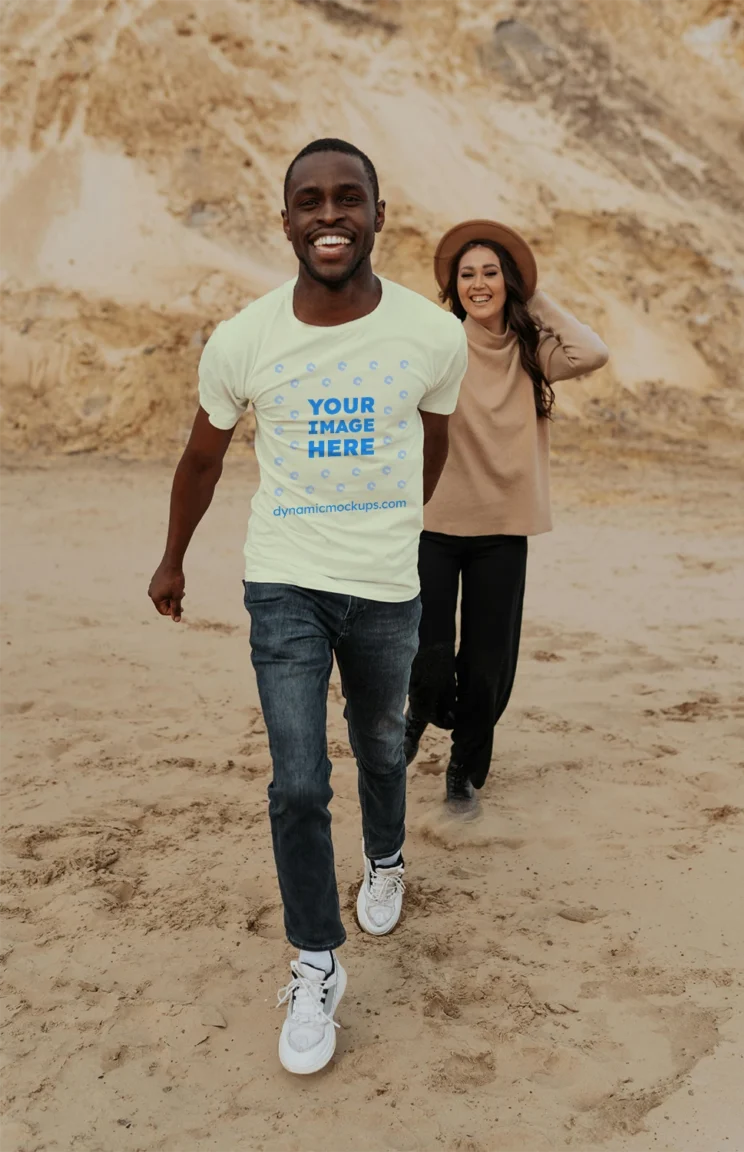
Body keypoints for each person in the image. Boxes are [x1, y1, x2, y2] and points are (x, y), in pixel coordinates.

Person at [148, 139, 467, 1075]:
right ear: (285, 219)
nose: (330, 216)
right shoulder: (243, 338)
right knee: (295, 780)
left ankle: (385, 856)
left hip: (384, 585)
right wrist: (172, 559)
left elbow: (432, 445)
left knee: (378, 745)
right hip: (282, 578)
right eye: (310, 202)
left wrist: (401, 527)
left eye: (348, 199)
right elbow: (203, 458)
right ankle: (316, 960)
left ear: (378, 213)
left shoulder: (431, 335)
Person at [404, 219, 609, 813]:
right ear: (453, 286)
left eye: (491, 272)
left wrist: (533, 294)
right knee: (429, 650)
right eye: (466, 274)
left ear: (508, 280)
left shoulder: (533, 350)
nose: (478, 283)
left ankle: (461, 773)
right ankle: (417, 712)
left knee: (487, 663)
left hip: (503, 530)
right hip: (435, 526)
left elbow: (591, 352)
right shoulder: (439, 341)